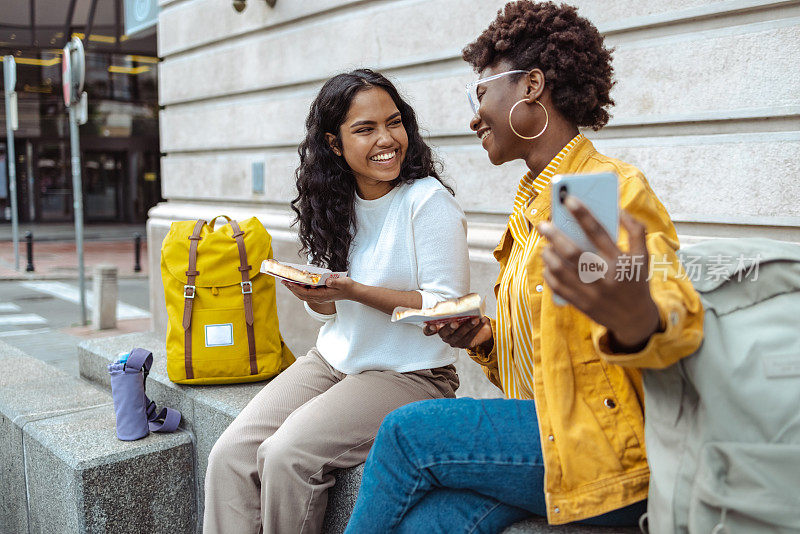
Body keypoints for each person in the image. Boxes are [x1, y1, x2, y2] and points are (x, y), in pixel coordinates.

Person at [344, 2, 705, 532]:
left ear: (531, 85)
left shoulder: (596, 192)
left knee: (406, 433)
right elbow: (560, 349)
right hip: (551, 436)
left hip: (605, 453)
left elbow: (675, 312)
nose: (474, 114)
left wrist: (640, 316)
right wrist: (487, 339)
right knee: (431, 522)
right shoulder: (535, 201)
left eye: (481, 92)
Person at [203, 69, 468, 534]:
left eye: (394, 122)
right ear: (334, 143)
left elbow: (446, 308)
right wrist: (318, 296)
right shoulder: (334, 203)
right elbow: (329, 309)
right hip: (334, 360)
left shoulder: (427, 202)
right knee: (229, 456)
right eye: (365, 129)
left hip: (411, 373)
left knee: (288, 456)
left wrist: (352, 290)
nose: (386, 139)